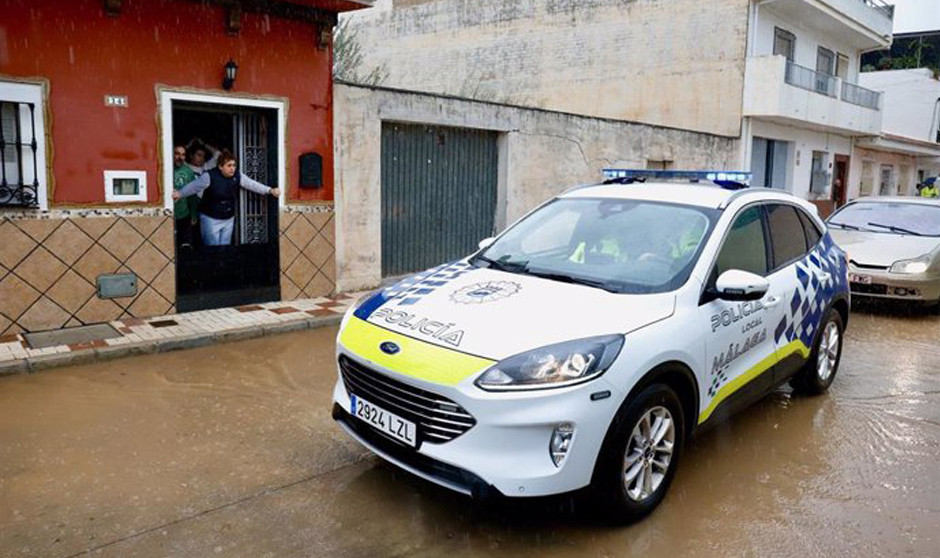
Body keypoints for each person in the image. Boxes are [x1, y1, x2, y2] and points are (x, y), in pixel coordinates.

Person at [173, 150, 280, 246]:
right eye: (229, 165)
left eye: (234, 165)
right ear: (220, 166)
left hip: (228, 218)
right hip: (210, 218)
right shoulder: (209, 176)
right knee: (212, 248)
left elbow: (251, 184)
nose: (232, 168)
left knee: (225, 247)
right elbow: (194, 187)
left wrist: (269, 190)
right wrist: (180, 193)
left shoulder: (238, 175)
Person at [172, 145, 200, 248]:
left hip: (183, 214)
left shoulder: (188, 171)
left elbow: (192, 194)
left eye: (183, 155)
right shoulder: (165, 168)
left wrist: (193, 214)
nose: (180, 157)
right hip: (169, 215)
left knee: (185, 246)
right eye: (177, 154)